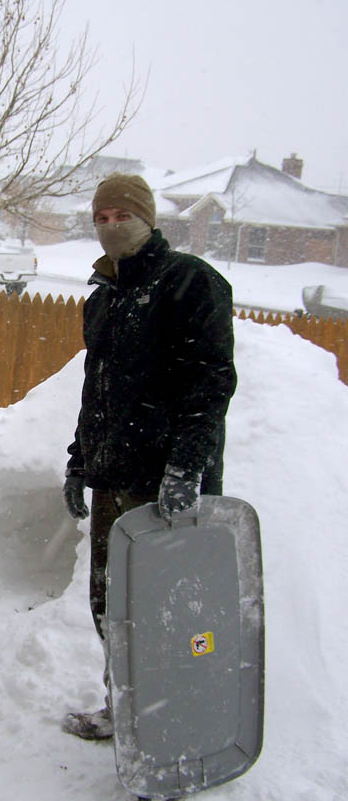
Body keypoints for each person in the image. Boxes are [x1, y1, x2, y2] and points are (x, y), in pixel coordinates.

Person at [62, 173, 237, 740]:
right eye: (102, 218)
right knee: (112, 606)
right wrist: (78, 462)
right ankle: (126, 713)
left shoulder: (189, 283)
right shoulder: (104, 296)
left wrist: (186, 467)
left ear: (149, 218)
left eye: (123, 215)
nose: (112, 227)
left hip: (164, 487)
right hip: (113, 480)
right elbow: (99, 388)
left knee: (165, 612)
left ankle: (174, 730)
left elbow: (210, 384)